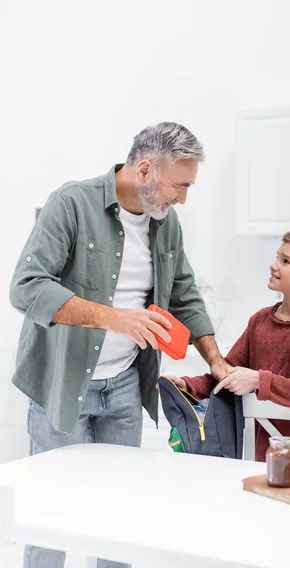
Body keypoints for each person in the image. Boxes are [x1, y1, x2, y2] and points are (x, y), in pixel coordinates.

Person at [9, 122, 229, 568]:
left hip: (125, 390)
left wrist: (216, 360)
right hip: (62, 386)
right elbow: (26, 288)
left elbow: (184, 291)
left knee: (121, 518)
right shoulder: (71, 204)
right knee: (51, 517)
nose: (183, 198)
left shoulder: (166, 223)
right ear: (145, 169)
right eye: (180, 185)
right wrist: (114, 318)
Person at [168, 230, 290, 469]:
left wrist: (260, 381)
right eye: (276, 257)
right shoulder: (260, 321)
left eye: (285, 261)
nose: (273, 266)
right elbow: (227, 373)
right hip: (257, 460)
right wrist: (189, 385)